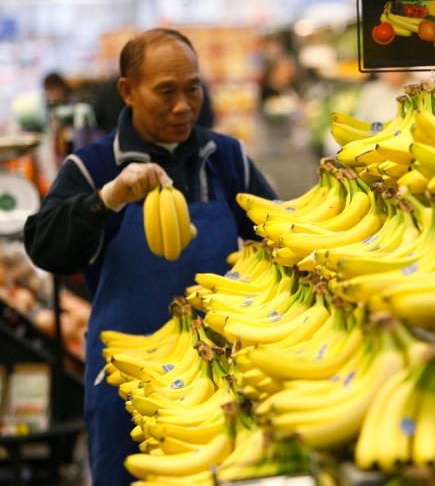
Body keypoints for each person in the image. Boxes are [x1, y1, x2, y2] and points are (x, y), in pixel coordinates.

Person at [23, 29, 276, 486]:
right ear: (128, 91)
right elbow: (45, 248)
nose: (183, 105)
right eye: (166, 92)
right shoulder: (91, 167)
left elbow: (276, 239)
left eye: (193, 88)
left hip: (217, 379)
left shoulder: (227, 159)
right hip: (128, 387)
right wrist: (105, 199)